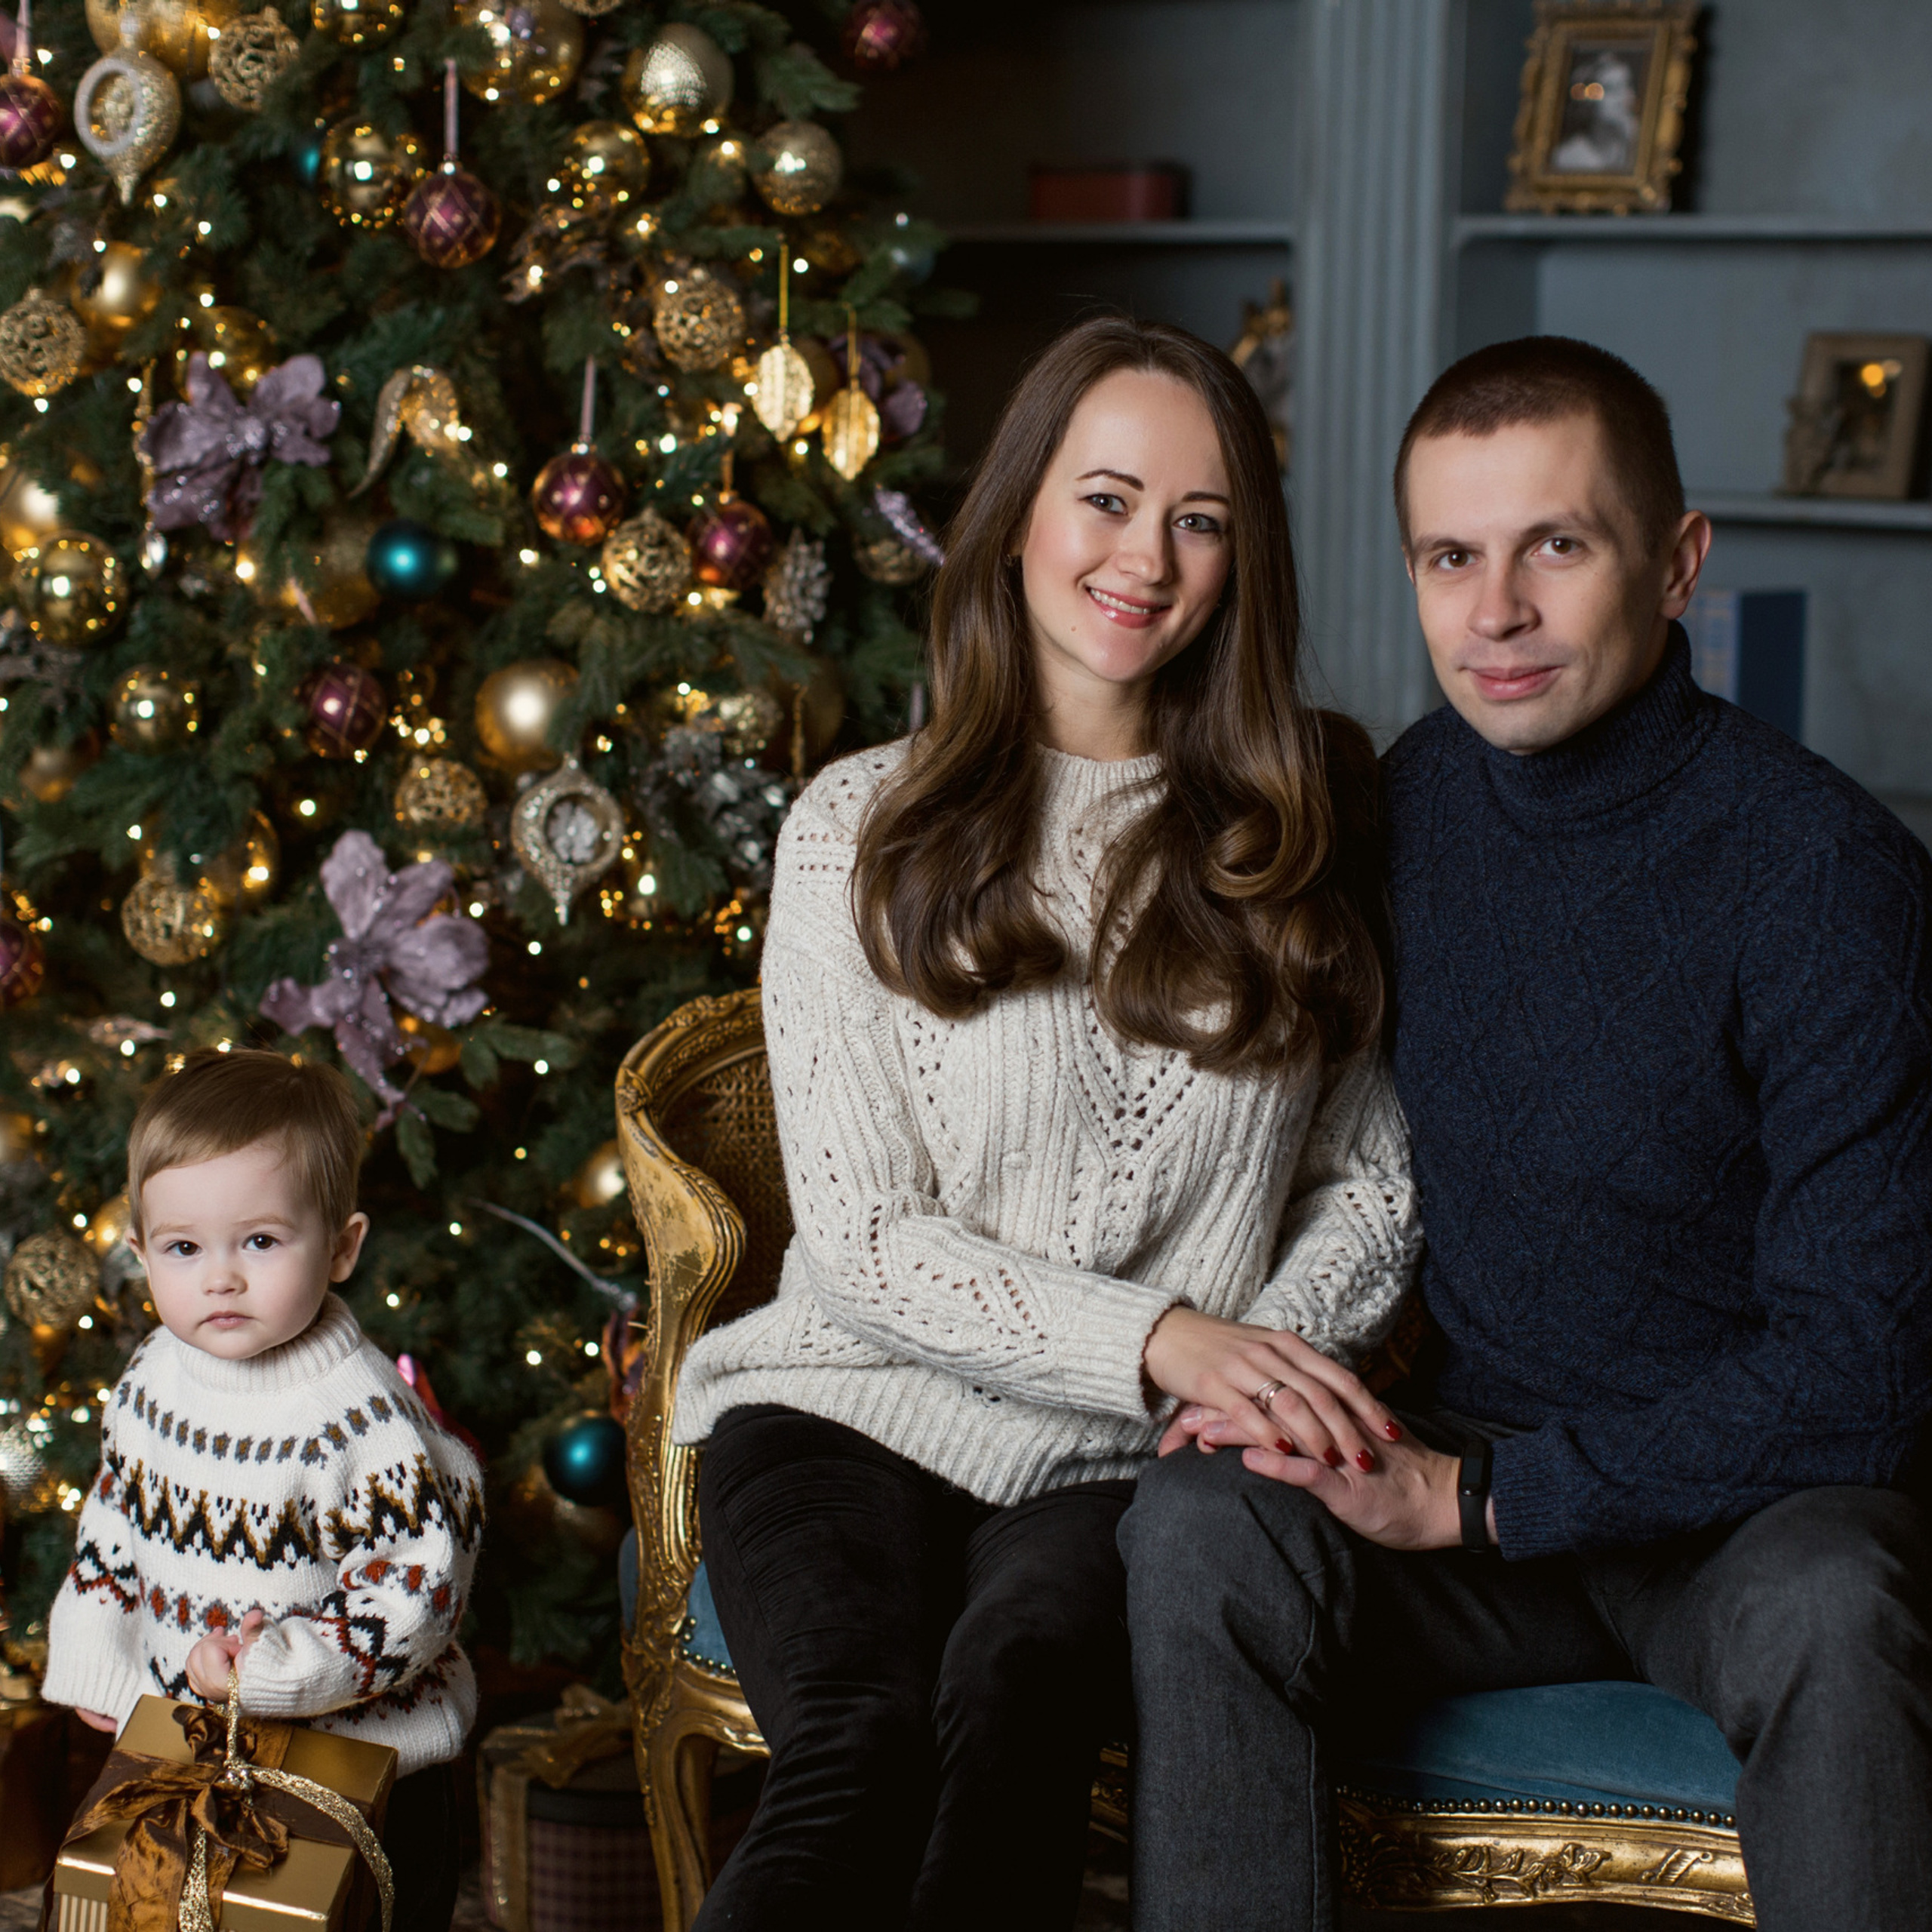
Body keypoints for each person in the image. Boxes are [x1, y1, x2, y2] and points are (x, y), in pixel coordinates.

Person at [1121, 334, 1932, 1932]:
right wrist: (1257, 1370)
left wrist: (1486, 1498)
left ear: (1675, 562)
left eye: (1553, 547)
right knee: (1200, 1523)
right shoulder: (1401, 806)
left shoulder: (1827, 876)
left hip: (1745, 1512)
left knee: (1841, 1608)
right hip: (1459, 1467)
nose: (1493, 614)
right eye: (1448, 556)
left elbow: (1863, 1369)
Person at [669, 315, 1421, 1931]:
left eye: (1199, 518)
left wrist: (1253, 1372)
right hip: (841, 1410)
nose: (1144, 556)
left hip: (1117, 1465)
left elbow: (1367, 1179)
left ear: (1241, 562)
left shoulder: (1295, 826)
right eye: (1105, 497)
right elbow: (860, 1244)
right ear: (1014, 518)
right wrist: (1162, 1333)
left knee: (1013, 1719)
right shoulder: (855, 826)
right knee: (858, 1749)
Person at [42, 1049, 485, 1932]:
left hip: (371, 1766)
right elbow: (114, 1524)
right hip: (196, 1745)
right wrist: (99, 1652)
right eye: (183, 1248)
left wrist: (276, 1668)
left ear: (342, 1246)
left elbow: (419, 1589)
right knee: (150, 1902)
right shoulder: (151, 1379)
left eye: (261, 1240)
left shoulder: (360, 1424)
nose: (221, 1276)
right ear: (139, 1254)